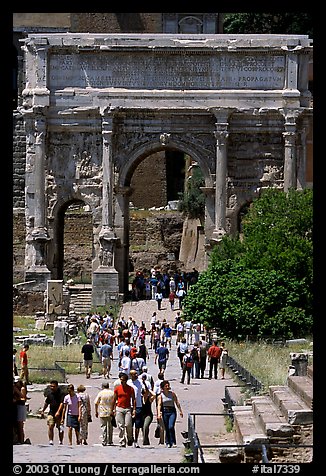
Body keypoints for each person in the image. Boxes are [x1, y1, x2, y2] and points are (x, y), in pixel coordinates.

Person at [157, 380, 183, 448]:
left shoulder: (172, 394)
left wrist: (180, 411)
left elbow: (177, 402)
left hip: (172, 411)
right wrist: (159, 413)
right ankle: (168, 442)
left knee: (171, 426)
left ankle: (173, 441)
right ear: (163, 387)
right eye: (166, 386)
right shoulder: (160, 396)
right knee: (166, 427)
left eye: (168, 385)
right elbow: (159, 405)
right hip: (165, 411)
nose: (167, 387)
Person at [113, 371, 136, 447]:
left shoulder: (130, 389)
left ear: (126, 380)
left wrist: (134, 409)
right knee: (121, 425)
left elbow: (133, 399)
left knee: (128, 424)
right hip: (119, 408)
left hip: (128, 408)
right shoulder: (117, 389)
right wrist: (113, 409)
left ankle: (130, 438)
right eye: (121, 380)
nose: (122, 381)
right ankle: (122, 441)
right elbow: (114, 399)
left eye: (123, 380)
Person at [41, 379, 65, 445]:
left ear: (57, 386)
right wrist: (43, 410)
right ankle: (51, 440)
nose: (52, 388)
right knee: (50, 425)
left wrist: (58, 412)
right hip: (51, 412)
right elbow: (46, 403)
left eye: (53, 386)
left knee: (60, 427)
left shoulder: (61, 394)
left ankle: (60, 441)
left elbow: (62, 403)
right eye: (51, 386)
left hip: (59, 413)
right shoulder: (50, 394)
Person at [94, 381, 115, 446]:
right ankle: (110, 440)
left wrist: (96, 411)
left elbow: (96, 402)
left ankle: (104, 441)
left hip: (102, 411)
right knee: (110, 427)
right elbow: (115, 402)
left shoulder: (101, 393)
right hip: (110, 411)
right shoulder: (112, 393)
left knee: (103, 427)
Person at [127, 370, 143, 447]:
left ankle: (136, 440)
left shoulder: (140, 382)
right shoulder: (128, 382)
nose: (136, 375)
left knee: (137, 424)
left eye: (136, 373)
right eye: (134, 374)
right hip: (129, 405)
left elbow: (145, 391)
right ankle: (130, 438)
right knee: (129, 424)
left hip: (138, 405)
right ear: (131, 375)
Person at [141, 377, 156, 445]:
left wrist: (148, 390)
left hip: (148, 415)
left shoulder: (149, 400)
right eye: (145, 393)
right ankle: (146, 440)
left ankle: (145, 441)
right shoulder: (140, 400)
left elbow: (154, 395)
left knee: (145, 426)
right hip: (141, 415)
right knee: (143, 428)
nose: (146, 394)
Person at [13, 378, 28, 444]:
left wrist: (17, 398)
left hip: (21, 406)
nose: (16, 384)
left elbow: (23, 398)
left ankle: (21, 440)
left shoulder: (22, 388)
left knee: (20, 425)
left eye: (17, 382)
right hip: (16, 406)